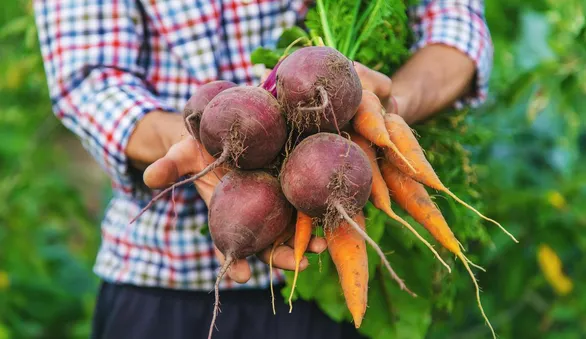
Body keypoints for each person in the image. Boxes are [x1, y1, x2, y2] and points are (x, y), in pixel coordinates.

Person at [34, 0, 493, 338]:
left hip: (325, 292)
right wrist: (187, 140)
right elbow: (89, 81)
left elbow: (456, 28)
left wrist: (384, 113)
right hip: (162, 282)